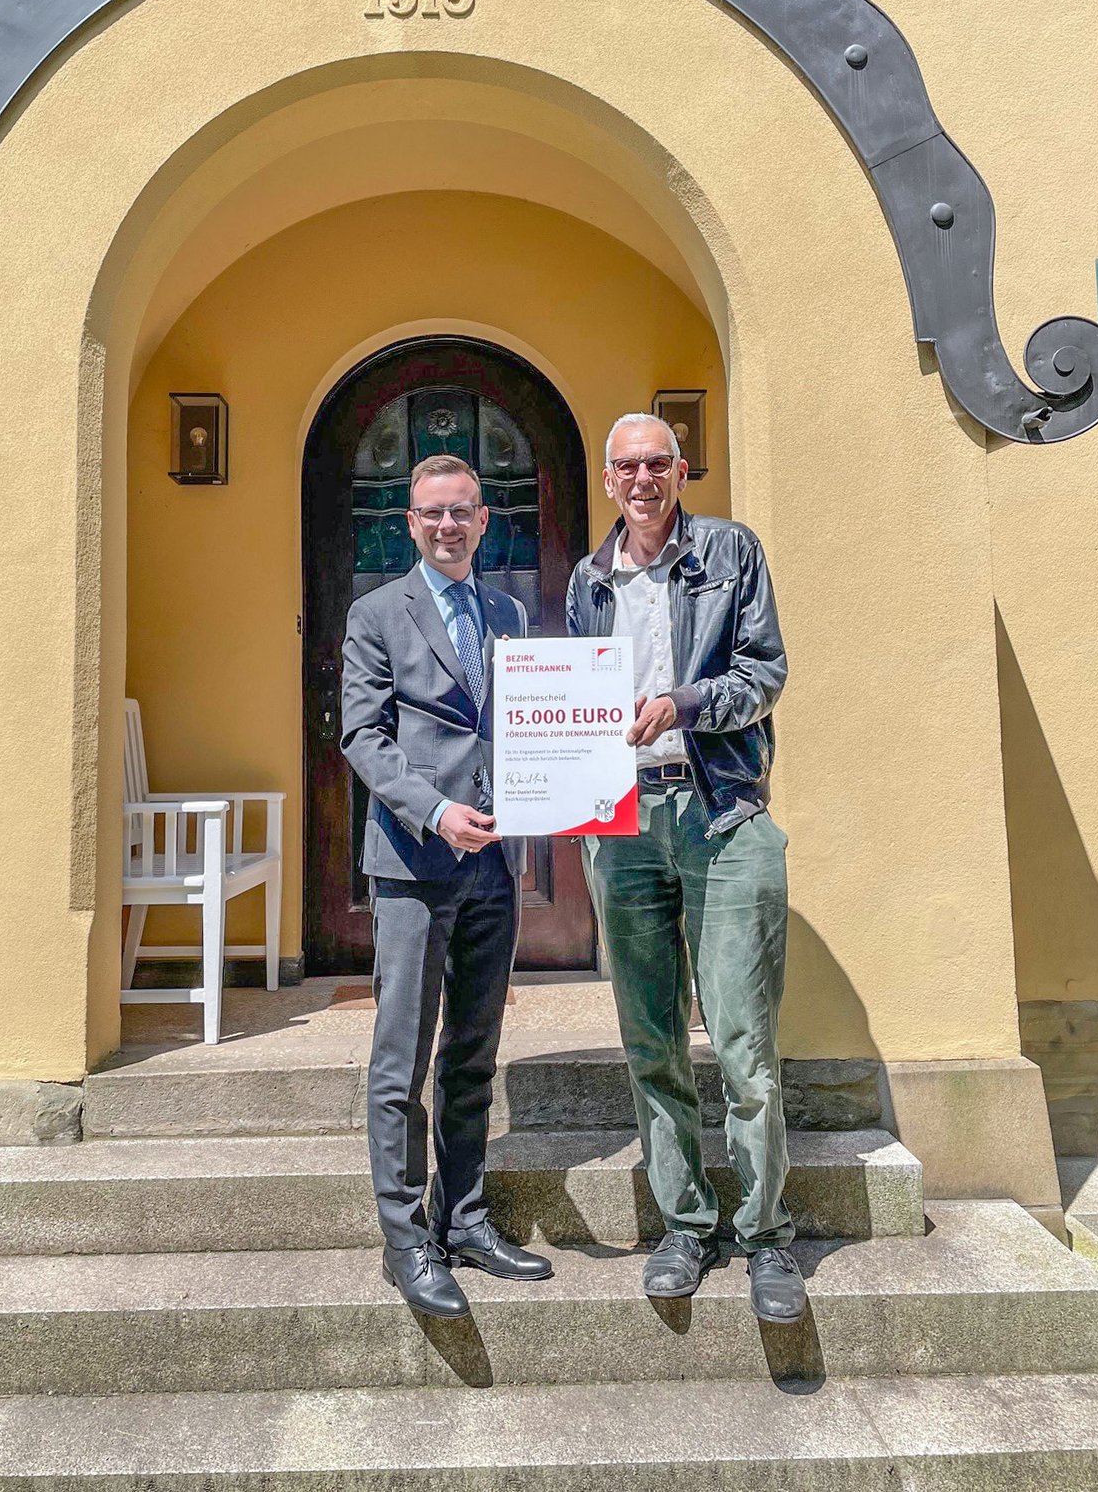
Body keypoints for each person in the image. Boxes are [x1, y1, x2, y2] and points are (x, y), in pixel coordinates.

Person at [566, 413, 806, 1324]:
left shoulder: (730, 553)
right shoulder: (588, 582)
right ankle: (684, 1224)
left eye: (656, 463)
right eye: (626, 466)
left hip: (721, 813)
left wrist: (682, 703)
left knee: (743, 1041)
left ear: (680, 469)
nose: (641, 479)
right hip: (620, 824)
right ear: (606, 478)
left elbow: (764, 674)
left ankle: (765, 1234)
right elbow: (574, 704)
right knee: (651, 1038)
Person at [341, 452, 554, 1317]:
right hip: (415, 861)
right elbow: (362, 735)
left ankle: (463, 1217)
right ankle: (406, 1239)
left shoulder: (506, 611)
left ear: (482, 518)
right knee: (401, 1059)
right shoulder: (375, 613)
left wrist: (551, 793)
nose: (447, 524)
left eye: (462, 510)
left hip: (495, 866)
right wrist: (433, 811)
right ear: (411, 523)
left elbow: (530, 721)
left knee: (472, 1052)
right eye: (432, 513)